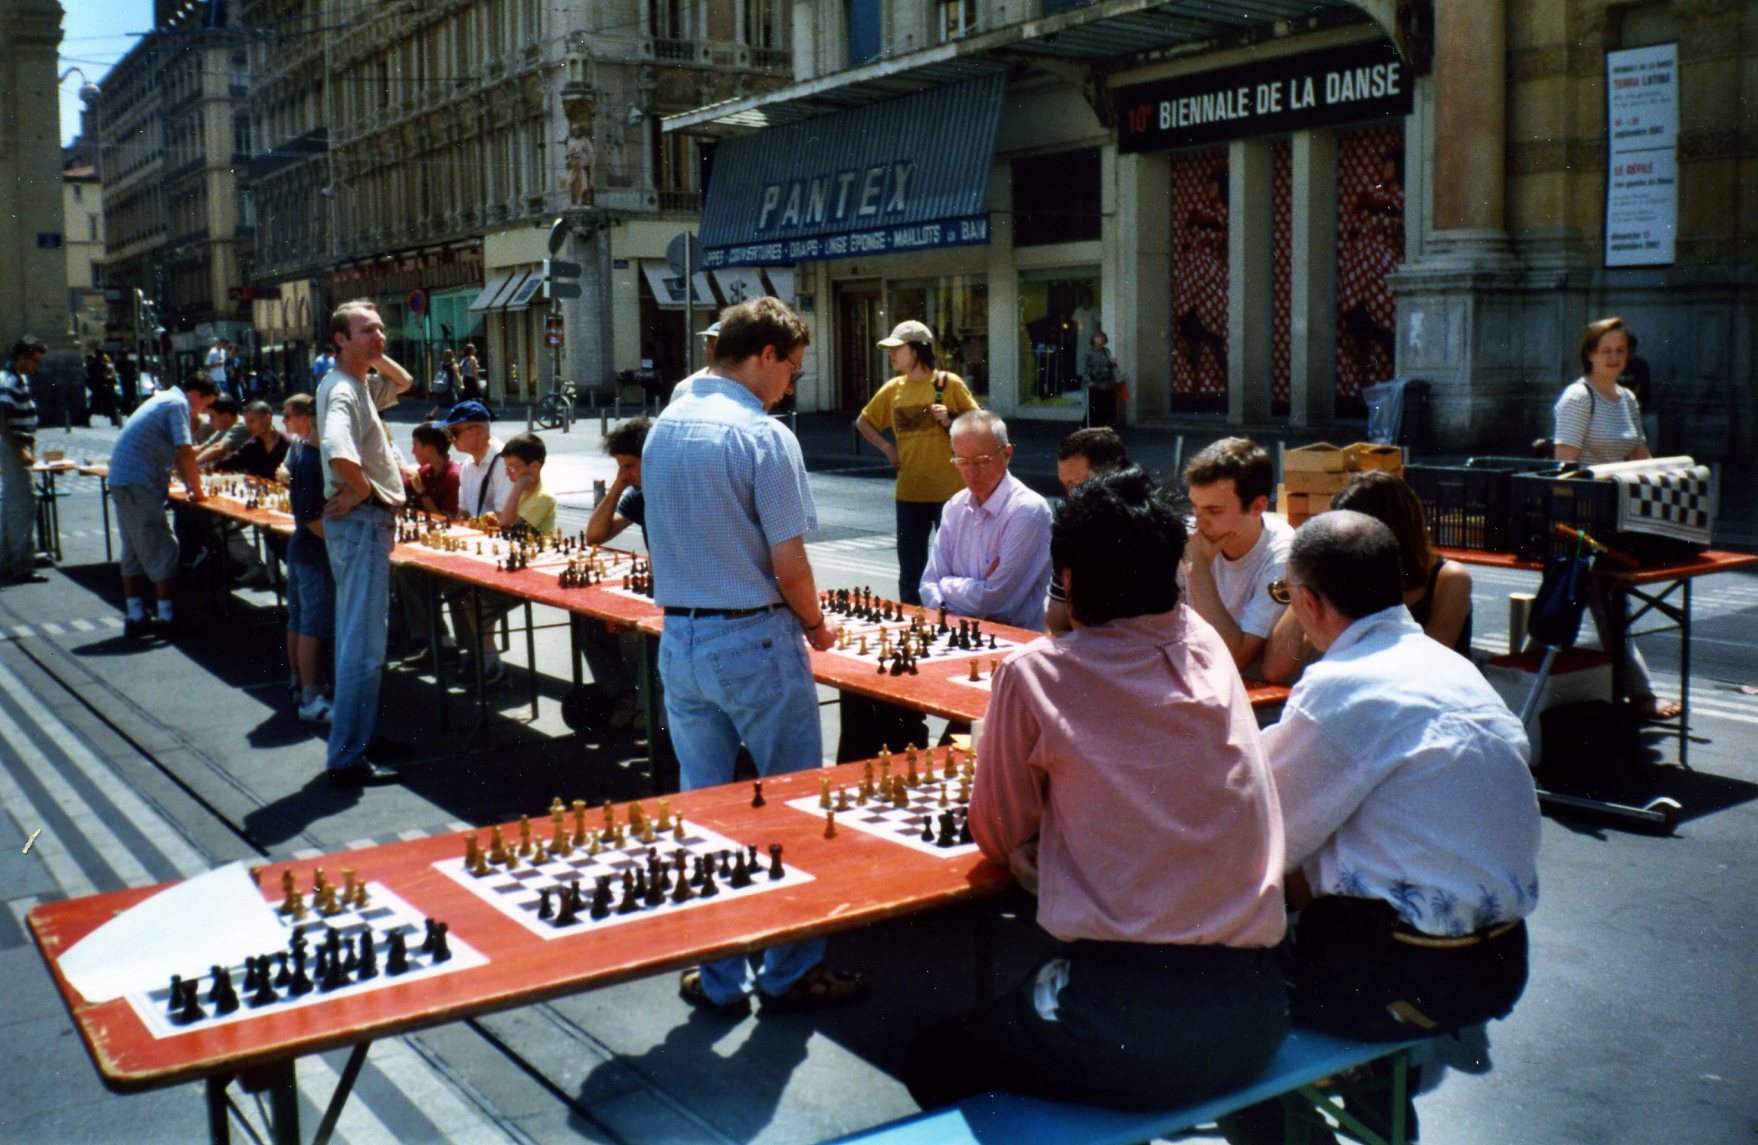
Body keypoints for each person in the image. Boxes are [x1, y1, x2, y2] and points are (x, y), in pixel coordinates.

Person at [903, 469, 1288, 1111]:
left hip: (1124, 1016)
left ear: (1070, 577)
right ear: (1175, 571)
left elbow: (997, 835)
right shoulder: (1208, 650)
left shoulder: (1034, 676)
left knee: (931, 1057)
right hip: (1258, 1005)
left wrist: (1047, 846)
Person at [1221, 510, 1538, 1144]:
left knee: (1211, 1011)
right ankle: (1383, 1122)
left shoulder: (1341, 685)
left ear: (1307, 601)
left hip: (1406, 971)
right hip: (1500, 962)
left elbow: (1260, 838)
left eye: (1285, 595)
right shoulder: (1452, 670)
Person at [644, 297, 866, 1016]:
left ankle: (715, 975)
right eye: (792, 370)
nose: (792, 387)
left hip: (680, 638)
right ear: (764, 354)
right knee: (792, 803)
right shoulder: (763, 436)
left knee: (704, 811)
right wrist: (815, 623)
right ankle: (791, 968)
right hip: (755, 636)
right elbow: (790, 560)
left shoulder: (662, 428)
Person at [1552, 316, 1678, 720]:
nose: (1613, 358)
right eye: (1605, 350)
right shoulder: (1577, 398)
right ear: (1589, 354)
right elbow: (1564, 466)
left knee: (1611, 605)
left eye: (1620, 351)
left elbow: (1641, 456)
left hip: (1621, 516)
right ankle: (1641, 693)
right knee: (1609, 606)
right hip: (1584, 520)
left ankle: (1603, 685)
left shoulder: (1626, 399)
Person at [317, 299, 413, 787]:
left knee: (363, 641)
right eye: (365, 331)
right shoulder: (342, 392)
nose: (378, 337)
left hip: (365, 526)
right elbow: (337, 451)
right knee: (363, 648)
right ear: (340, 339)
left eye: (381, 329)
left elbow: (405, 383)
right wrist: (361, 491)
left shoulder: (356, 384)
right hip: (363, 524)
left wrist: (371, 355)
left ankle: (360, 739)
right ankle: (348, 757)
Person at [1262, 471, 1473, 681]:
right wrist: (1303, 583)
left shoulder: (1450, 579)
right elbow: (1276, 668)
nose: (1339, 547)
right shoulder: (1350, 577)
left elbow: (1423, 671)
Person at [855, 320, 981, 605]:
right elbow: (863, 422)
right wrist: (887, 447)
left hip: (950, 495)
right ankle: (912, 629)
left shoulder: (947, 384)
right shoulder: (893, 389)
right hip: (909, 494)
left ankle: (954, 623)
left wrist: (950, 420)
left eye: (897, 349)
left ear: (917, 350)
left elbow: (980, 425)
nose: (891, 355)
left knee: (954, 567)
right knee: (911, 571)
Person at [918, 409, 1053, 631]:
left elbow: (998, 604)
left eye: (982, 461)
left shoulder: (1027, 510)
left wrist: (948, 584)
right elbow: (928, 584)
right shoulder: (955, 506)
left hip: (1012, 641)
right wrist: (976, 589)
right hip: (959, 634)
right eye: (961, 460)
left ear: (1007, 454)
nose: (971, 472)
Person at [106, 373, 219, 636]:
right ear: (194, 395)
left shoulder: (163, 399)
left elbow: (179, 455)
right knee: (163, 546)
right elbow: (185, 449)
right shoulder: (177, 404)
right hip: (138, 483)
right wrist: (198, 490)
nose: (201, 411)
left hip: (124, 480)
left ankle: (136, 614)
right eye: (204, 404)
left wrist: (190, 486)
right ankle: (167, 616)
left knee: (134, 548)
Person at [451, 432, 557, 687]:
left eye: (514, 468)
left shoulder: (542, 497)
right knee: (466, 597)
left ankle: (490, 663)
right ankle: (488, 659)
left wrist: (519, 485)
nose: (509, 474)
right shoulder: (522, 493)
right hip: (514, 566)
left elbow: (506, 522)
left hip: (533, 573)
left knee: (478, 601)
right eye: (507, 468)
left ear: (534, 467)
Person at [1181, 437, 1292, 675]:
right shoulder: (1191, 535)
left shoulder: (1282, 555)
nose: (1199, 523)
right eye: (1194, 508)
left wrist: (1197, 568)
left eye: (1214, 511)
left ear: (1258, 507)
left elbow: (1236, 657)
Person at [581, 417, 649, 727]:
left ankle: (647, 708)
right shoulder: (637, 495)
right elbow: (595, 535)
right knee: (588, 619)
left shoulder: (676, 490)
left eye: (630, 466)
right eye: (620, 466)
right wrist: (620, 483)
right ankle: (624, 696)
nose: (625, 473)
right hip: (656, 585)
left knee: (628, 631)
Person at [1045, 427, 1132, 636]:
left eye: (1078, 484)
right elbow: (1054, 626)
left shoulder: (1148, 533)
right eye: (1066, 485)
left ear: (1112, 474)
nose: (1071, 496)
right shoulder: (1072, 533)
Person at [281, 393, 336, 723]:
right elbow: (315, 520)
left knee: (299, 620)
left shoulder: (303, 455)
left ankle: (300, 683)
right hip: (314, 553)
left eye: (288, 417)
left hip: (300, 549)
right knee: (313, 625)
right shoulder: (314, 460)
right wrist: (347, 542)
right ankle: (312, 699)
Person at [0, 337, 47, 584]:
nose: (36, 367)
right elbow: (2, 420)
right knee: (23, 506)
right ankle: (21, 565)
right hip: (13, 448)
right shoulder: (8, 381)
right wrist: (19, 450)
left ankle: (8, 560)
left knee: (11, 506)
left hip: (16, 447)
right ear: (21, 358)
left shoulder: (18, 379)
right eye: (34, 361)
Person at [404, 422, 460, 517]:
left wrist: (422, 492)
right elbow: (398, 492)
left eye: (415, 446)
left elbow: (447, 521)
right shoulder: (424, 471)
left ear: (430, 449)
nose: (412, 451)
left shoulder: (453, 477)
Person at [668, 322, 719, 402]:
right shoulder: (685, 388)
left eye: (719, 347)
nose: (712, 351)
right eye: (709, 345)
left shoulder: (742, 385)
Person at [1080, 331, 1120, 428]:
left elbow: (1111, 367)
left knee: (1108, 405)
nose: (1100, 339)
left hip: (1108, 382)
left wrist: (1113, 363)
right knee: (1094, 405)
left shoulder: (1106, 351)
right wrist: (1088, 380)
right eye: (1097, 337)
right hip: (1096, 382)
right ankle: (1089, 426)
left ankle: (1107, 426)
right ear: (1093, 339)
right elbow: (1085, 367)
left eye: (1102, 337)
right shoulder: (1089, 352)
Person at [196, 395, 248, 466]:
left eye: (212, 417)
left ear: (226, 416)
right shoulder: (225, 425)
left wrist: (190, 465)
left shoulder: (242, 424)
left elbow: (218, 448)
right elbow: (203, 448)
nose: (210, 421)